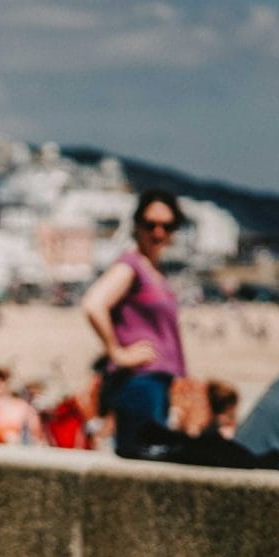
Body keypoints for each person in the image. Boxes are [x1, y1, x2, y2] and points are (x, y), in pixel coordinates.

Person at [81, 190, 187, 457]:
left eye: (167, 226)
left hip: (156, 382)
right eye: (150, 224)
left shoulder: (155, 271)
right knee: (145, 462)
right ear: (136, 225)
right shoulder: (131, 266)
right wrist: (117, 352)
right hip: (139, 382)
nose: (158, 233)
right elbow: (94, 304)